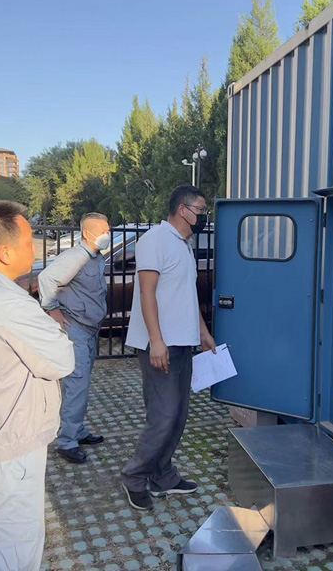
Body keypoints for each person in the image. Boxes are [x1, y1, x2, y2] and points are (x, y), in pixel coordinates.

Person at [0, 201, 75, 571]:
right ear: (5, 252)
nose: (34, 249)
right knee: (15, 552)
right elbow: (62, 359)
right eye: (29, 241)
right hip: (13, 443)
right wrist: (51, 322)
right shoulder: (7, 303)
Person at [121, 184, 216, 510]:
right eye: (200, 210)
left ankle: (162, 476)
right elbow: (146, 293)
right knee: (163, 416)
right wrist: (156, 342)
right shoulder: (155, 240)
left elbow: (186, 295)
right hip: (161, 344)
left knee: (178, 416)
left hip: (183, 342)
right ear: (182, 210)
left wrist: (202, 331)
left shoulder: (185, 245)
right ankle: (134, 476)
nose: (204, 216)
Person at [38, 212, 110, 464]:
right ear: (87, 234)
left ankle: (77, 430)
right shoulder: (77, 256)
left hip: (88, 329)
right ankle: (67, 441)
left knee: (81, 384)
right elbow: (46, 278)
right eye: (102, 231)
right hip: (75, 329)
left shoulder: (95, 257)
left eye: (108, 230)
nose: (107, 234)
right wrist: (52, 309)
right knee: (77, 385)